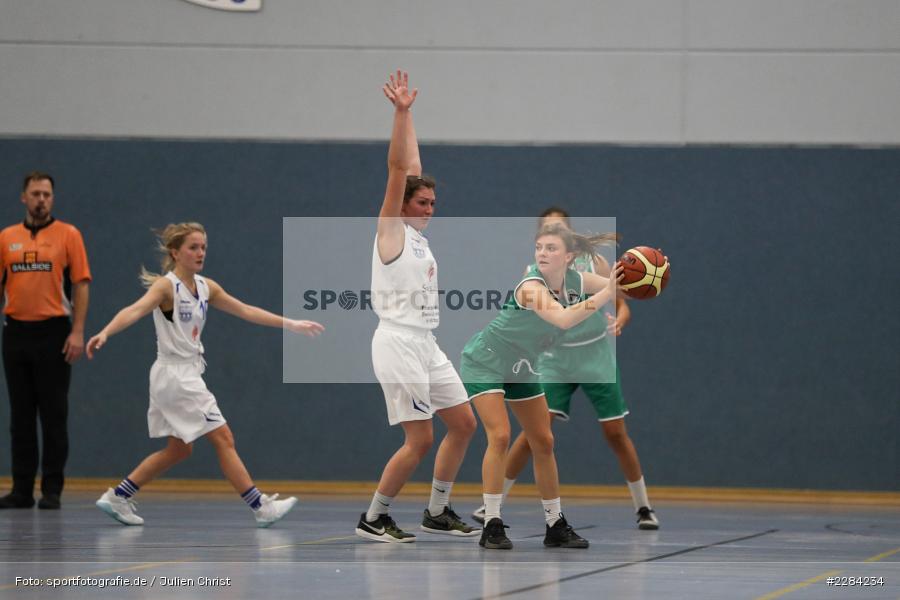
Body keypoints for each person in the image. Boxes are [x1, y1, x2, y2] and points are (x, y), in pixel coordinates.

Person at [85, 222, 323, 527]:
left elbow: (246, 310)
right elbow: (134, 310)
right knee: (224, 437)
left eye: (203, 247)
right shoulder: (166, 287)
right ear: (175, 252)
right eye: (193, 247)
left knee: (179, 449)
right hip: (175, 376)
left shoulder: (206, 287)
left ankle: (118, 496)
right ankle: (260, 506)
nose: (200, 253)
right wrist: (106, 332)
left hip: (182, 376)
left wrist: (291, 324)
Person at [472, 208, 659, 530]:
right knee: (534, 435)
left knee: (615, 433)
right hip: (554, 358)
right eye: (542, 239)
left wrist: (644, 280)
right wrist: (605, 294)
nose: (545, 247)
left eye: (555, 235)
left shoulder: (590, 266)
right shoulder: (533, 276)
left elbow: (621, 294)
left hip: (595, 353)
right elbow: (561, 317)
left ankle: (643, 506)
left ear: (569, 244)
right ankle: (494, 504)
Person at [356, 71, 479, 543]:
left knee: (464, 424)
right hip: (397, 342)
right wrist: (400, 112)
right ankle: (374, 516)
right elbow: (398, 171)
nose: (430, 208)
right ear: (403, 205)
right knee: (420, 439)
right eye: (423, 202)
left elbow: (413, 165)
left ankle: (437, 510)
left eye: (433, 202)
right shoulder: (390, 230)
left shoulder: (419, 238)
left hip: (426, 343)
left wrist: (413, 121)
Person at [461, 222, 623, 549]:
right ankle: (491, 523)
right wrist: (607, 293)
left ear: (570, 257)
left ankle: (555, 524)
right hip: (487, 360)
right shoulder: (531, 286)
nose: (543, 254)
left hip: (523, 365)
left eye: (551, 248)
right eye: (539, 248)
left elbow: (619, 286)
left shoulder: (577, 280)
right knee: (501, 435)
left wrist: (645, 272)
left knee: (544, 441)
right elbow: (562, 318)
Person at [0, 172, 91, 510]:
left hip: (53, 332)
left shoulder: (68, 235)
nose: (41, 200)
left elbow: (81, 283)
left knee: (54, 414)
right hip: (16, 332)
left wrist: (77, 331)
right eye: (35, 193)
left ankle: (51, 489)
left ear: (53, 198)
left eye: (47, 194)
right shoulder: (6, 237)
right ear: (24, 197)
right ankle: (21, 489)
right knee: (20, 416)